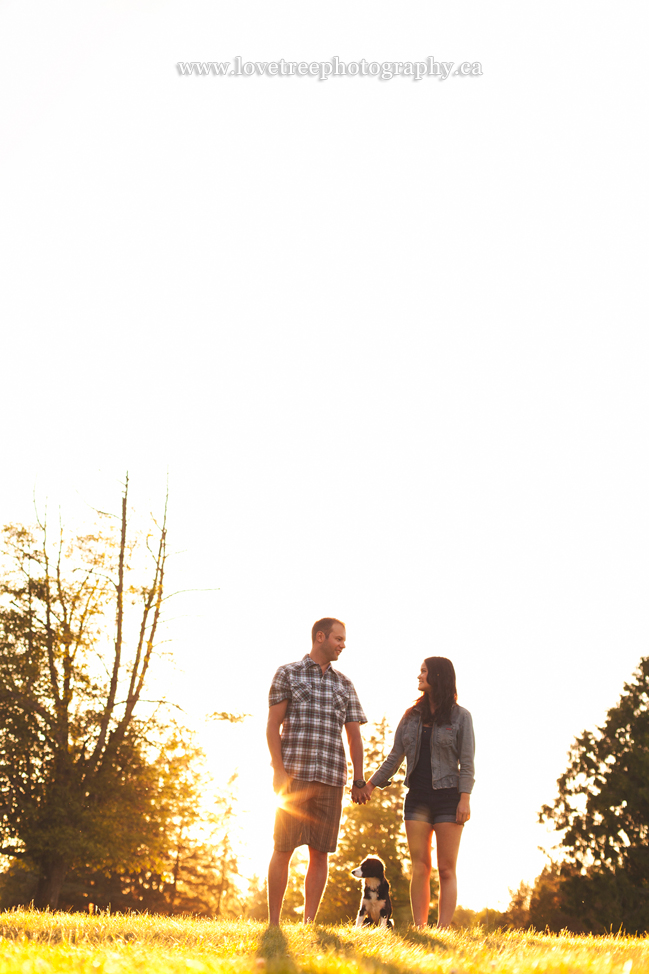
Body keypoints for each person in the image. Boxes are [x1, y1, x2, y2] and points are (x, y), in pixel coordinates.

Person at [358, 656, 474, 928]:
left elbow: (467, 763)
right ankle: (421, 928)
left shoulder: (461, 717)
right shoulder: (410, 717)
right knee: (420, 866)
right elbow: (394, 757)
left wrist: (465, 799)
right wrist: (370, 785)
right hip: (417, 799)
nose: (419, 676)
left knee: (446, 869)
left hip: (449, 798)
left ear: (438, 677)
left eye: (423, 671)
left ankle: (443, 928)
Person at [266, 617, 368, 925]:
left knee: (320, 852)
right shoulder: (288, 674)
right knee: (283, 848)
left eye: (344, 640)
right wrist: (278, 771)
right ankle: (274, 922)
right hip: (294, 776)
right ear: (320, 637)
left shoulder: (345, 684)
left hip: (331, 778)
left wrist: (359, 779)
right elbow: (272, 726)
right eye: (338, 639)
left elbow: (354, 736)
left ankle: (308, 922)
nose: (343, 644)